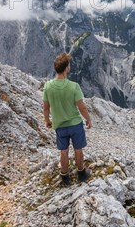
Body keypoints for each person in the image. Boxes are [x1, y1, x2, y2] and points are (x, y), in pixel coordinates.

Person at [43, 53, 92, 185]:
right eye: (69, 65)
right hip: (75, 124)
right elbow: (82, 107)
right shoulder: (74, 86)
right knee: (78, 149)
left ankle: (65, 177)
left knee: (63, 151)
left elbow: (46, 107)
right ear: (66, 68)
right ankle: (81, 173)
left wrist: (47, 120)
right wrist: (88, 119)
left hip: (59, 125)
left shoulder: (47, 86)